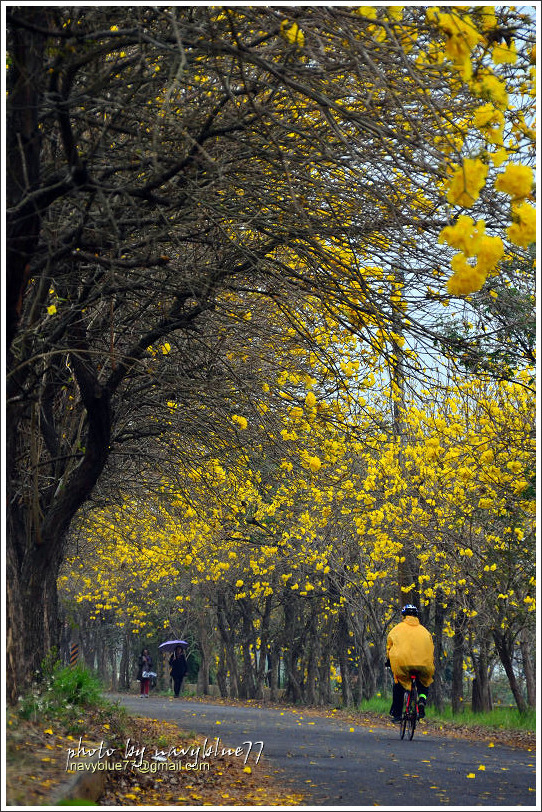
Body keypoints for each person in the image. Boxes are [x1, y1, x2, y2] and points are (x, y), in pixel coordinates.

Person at [386, 604, 434, 723]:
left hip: (403, 665)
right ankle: (422, 700)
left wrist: (388, 661)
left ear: (403, 615)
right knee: (423, 684)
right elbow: (430, 648)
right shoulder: (425, 631)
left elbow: (389, 647)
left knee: (399, 685)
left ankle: (397, 715)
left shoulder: (396, 629)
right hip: (423, 665)